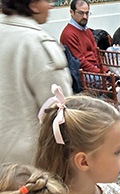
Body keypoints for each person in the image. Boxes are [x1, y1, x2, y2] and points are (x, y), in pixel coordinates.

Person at [0, 0, 72, 166]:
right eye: (46, 0)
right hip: (26, 164)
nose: (50, 5)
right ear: (32, 5)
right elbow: (61, 114)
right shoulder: (38, 44)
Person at [60, 0, 108, 74]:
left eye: (87, 13)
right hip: (84, 74)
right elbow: (80, 63)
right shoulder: (68, 34)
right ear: (71, 12)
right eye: (81, 13)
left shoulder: (87, 30)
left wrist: (105, 70)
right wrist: (102, 73)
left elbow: (96, 54)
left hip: (95, 70)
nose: (85, 17)